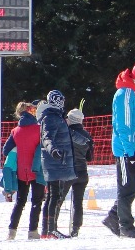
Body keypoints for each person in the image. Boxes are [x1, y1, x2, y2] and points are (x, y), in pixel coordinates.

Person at [106, 57, 135, 238]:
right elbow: (123, 125)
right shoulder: (125, 94)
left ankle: (113, 216)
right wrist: (130, 151)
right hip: (125, 149)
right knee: (126, 187)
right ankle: (125, 226)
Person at [38, 90, 76, 239]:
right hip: (55, 161)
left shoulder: (57, 117)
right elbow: (47, 137)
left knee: (53, 196)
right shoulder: (51, 118)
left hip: (58, 161)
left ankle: (47, 230)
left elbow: (67, 135)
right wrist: (52, 149)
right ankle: (51, 229)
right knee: (54, 196)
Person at [3, 100, 44, 239]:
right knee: (37, 201)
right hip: (37, 170)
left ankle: (12, 230)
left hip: (21, 171)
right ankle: (33, 231)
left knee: (20, 202)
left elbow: (5, 150)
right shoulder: (39, 130)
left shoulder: (15, 131)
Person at [66, 108, 94, 236]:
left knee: (58, 199)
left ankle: (52, 226)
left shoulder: (67, 133)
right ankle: (75, 228)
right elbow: (90, 157)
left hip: (68, 171)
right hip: (82, 172)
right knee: (78, 202)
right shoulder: (87, 135)